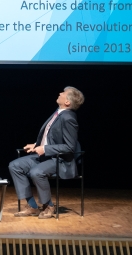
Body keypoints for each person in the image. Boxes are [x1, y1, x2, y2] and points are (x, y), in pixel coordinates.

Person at [9, 87, 84, 219]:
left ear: (67, 102)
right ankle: (32, 206)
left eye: (63, 93)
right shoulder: (58, 113)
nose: (60, 93)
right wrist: (36, 145)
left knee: (36, 172)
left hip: (60, 160)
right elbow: (51, 137)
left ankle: (48, 206)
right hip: (45, 157)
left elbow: (70, 147)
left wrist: (45, 149)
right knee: (15, 166)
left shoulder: (68, 118)